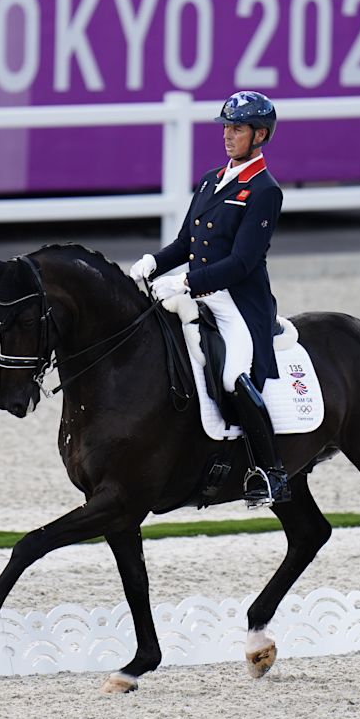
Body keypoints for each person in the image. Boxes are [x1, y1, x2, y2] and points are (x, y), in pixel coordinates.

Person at [128, 91, 288, 507]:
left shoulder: (264, 190)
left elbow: (242, 263)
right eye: (226, 127)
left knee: (233, 376)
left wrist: (184, 283)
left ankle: (271, 472)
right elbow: (186, 242)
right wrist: (154, 262)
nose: (228, 135)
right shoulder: (210, 180)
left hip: (237, 303)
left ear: (260, 135)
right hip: (199, 291)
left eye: (238, 129)